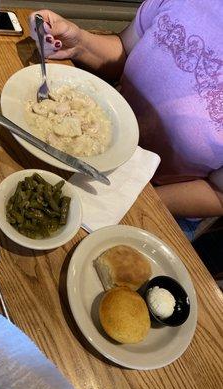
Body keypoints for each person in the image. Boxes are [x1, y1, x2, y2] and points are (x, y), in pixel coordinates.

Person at [29, 0, 223, 223]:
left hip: (157, 198)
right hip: (85, 148)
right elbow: (124, 50)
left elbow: (219, 194)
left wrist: (131, 200)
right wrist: (79, 43)